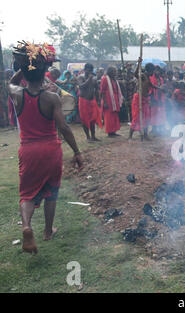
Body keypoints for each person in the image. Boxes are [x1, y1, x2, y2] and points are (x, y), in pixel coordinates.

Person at [7, 42, 83, 254]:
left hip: (28, 151)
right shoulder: (51, 97)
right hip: (50, 150)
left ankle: (27, 226)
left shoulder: (16, 93)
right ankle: (48, 231)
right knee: (51, 192)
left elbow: (9, 83)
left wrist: (24, 65)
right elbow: (64, 127)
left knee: (27, 195)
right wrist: (77, 152)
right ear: (44, 72)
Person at [78, 63, 102, 141]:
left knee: (93, 119)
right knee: (84, 119)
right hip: (83, 101)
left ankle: (93, 136)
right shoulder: (80, 77)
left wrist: (98, 100)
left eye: (91, 70)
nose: (90, 72)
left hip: (92, 101)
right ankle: (88, 137)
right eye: (88, 70)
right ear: (85, 70)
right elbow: (81, 86)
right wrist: (89, 80)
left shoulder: (94, 78)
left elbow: (97, 89)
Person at [129, 58, 152, 140]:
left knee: (146, 117)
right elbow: (135, 74)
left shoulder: (148, 77)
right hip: (138, 99)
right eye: (152, 71)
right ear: (150, 70)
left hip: (145, 100)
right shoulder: (142, 75)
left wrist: (159, 88)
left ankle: (145, 135)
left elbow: (151, 85)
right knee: (136, 117)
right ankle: (130, 136)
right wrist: (138, 63)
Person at [100, 66, 123, 137]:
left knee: (114, 116)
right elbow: (102, 91)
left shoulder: (114, 79)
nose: (115, 73)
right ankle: (110, 132)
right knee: (109, 117)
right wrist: (105, 102)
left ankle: (114, 131)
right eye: (114, 71)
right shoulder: (104, 79)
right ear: (110, 72)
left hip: (114, 100)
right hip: (108, 100)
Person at [149, 66, 167, 135]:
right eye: (156, 70)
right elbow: (150, 89)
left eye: (158, 70)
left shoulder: (161, 79)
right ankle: (154, 129)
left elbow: (163, 88)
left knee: (161, 114)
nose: (157, 72)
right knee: (154, 114)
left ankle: (161, 128)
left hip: (161, 98)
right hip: (154, 98)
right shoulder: (150, 78)